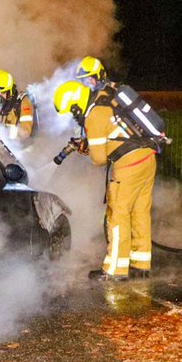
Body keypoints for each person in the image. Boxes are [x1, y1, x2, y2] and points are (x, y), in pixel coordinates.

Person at [53, 63, 158, 281]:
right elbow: (114, 133)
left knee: (117, 215)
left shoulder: (94, 115)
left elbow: (99, 159)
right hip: (148, 157)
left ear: (75, 106)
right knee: (139, 212)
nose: (75, 118)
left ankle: (115, 270)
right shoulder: (106, 98)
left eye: (72, 113)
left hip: (128, 166)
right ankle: (141, 264)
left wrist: (87, 149)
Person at [0, 70, 36, 141]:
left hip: (19, 148)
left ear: (10, 91)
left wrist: (8, 131)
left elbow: (26, 132)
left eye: (3, 93)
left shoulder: (23, 103)